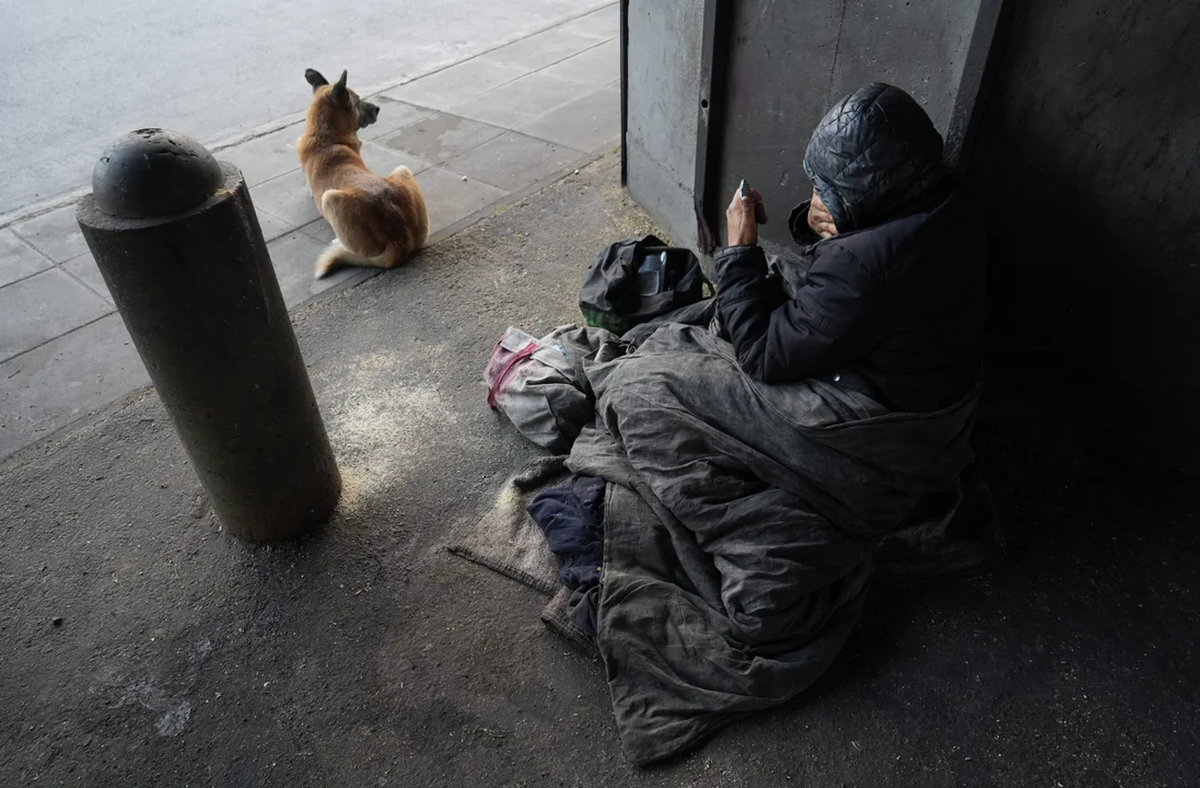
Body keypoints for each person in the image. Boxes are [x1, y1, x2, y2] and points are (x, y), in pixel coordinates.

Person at [716, 82, 986, 413]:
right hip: (933, 381)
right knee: (765, 286)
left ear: (866, 194)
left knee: (662, 383)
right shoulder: (940, 197)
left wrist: (739, 251)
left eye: (822, 189)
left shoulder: (858, 269)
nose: (814, 196)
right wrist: (828, 220)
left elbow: (759, 355)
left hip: (893, 413)